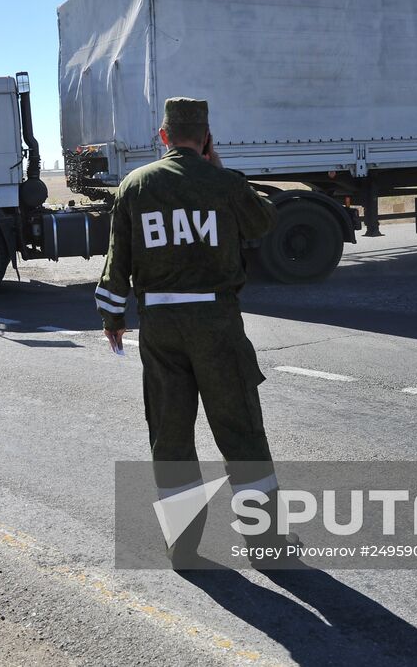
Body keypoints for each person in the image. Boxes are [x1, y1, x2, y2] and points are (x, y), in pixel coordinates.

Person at [96, 97, 284, 567]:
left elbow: (117, 259)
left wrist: (113, 317)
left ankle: (183, 546)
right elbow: (263, 221)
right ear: (205, 137)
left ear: (163, 137)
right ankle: (267, 544)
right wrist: (218, 168)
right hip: (216, 326)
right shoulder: (224, 183)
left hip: (161, 329)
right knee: (240, 431)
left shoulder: (136, 185)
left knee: (171, 436)